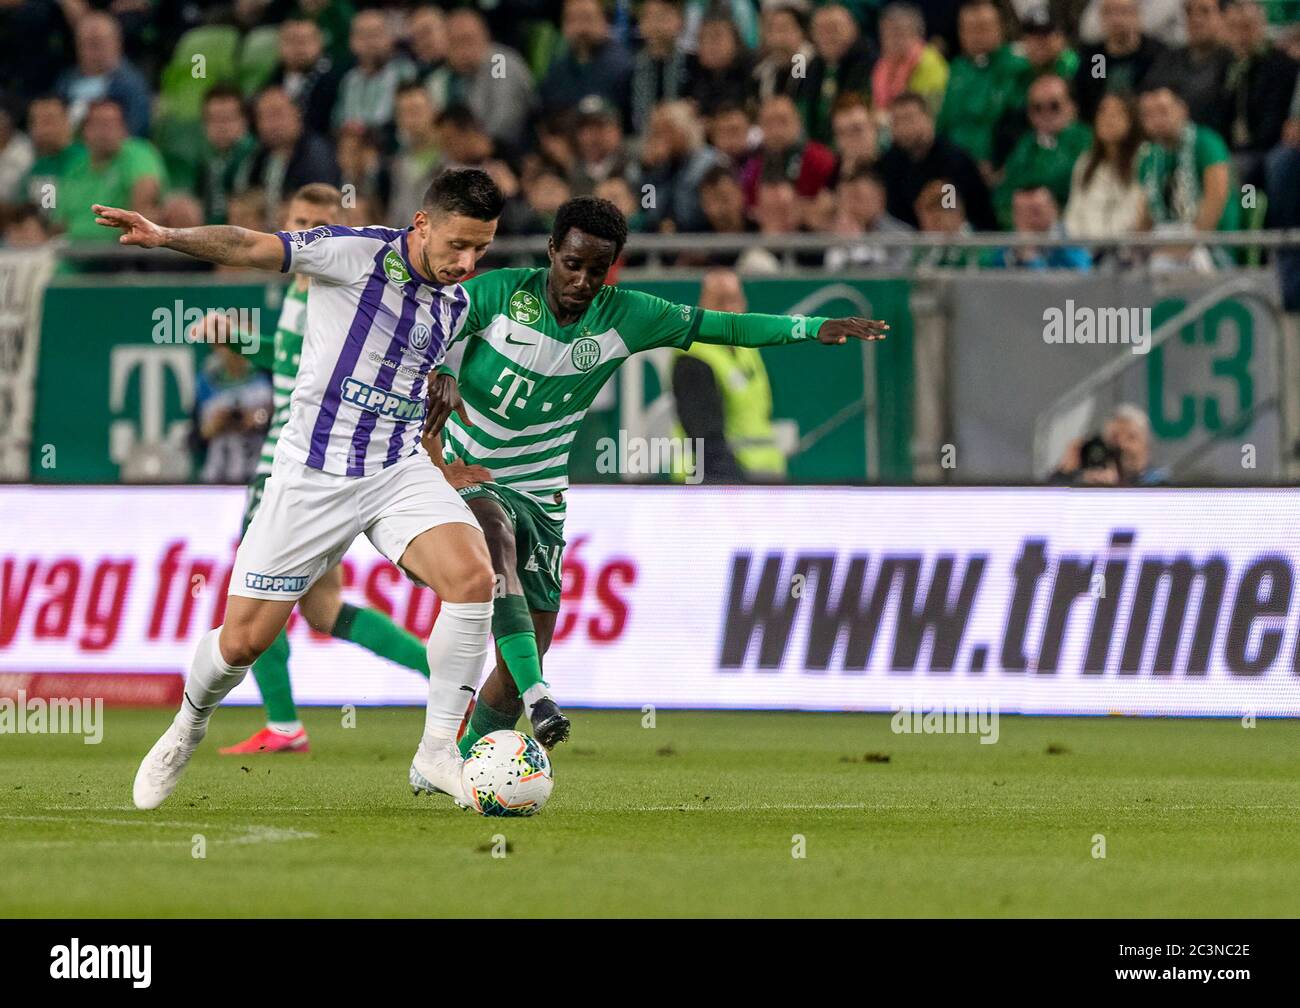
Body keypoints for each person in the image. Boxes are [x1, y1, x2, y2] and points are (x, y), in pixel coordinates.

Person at [94, 168, 508, 811]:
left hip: (395, 469)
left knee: (473, 578)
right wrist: (166, 234)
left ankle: (436, 755)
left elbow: (426, 394)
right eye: (458, 245)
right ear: (422, 223)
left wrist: (439, 462)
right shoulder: (355, 252)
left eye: (481, 250)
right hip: (312, 475)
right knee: (243, 643)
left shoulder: (454, 307)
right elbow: (249, 245)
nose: (467, 262)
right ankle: (187, 727)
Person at [421, 196, 887, 755]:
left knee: (530, 646)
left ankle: (466, 757)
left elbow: (726, 327)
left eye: (598, 269)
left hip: (542, 493)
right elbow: (429, 324)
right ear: (551, 252)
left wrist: (812, 327)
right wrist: (443, 370)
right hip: (470, 473)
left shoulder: (628, 315)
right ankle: (541, 696)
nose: (584, 280)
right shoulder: (498, 291)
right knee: (493, 531)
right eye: (573, 264)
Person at [671, 268, 786, 483]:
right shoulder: (694, 357)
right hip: (714, 480)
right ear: (703, 305)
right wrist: (729, 482)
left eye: (735, 300)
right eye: (720, 301)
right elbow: (704, 433)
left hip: (761, 473)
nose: (730, 310)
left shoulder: (747, 347)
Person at [1135, 82, 1237, 267]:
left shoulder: (1207, 142)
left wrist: (1186, 245)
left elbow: (1216, 198)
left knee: (1163, 263)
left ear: (1182, 110)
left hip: (1210, 243)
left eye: (1163, 111)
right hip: (1165, 238)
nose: (1156, 119)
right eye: (1148, 115)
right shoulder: (1148, 156)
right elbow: (1147, 212)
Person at [879, 91, 997, 230]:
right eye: (897, 121)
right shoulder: (890, 163)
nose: (904, 127)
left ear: (928, 118)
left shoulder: (953, 159)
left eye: (909, 118)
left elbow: (951, 206)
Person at [995, 73, 1092, 228]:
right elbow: (1004, 196)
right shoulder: (1025, 145)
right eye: (1037, 108)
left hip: (1072, 228)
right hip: (1025, 233)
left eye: (1054, 106)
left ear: (1072, 106)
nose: (1045, 113)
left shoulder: (1088, 141)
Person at [1064, 93, 1144, 239]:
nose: (1108, 118)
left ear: (1132, 120)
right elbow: (1074, 211)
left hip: (1127, 248)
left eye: (1117, 112)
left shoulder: (1144, 158)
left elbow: (1137, 213)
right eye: (1103, 112)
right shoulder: (1085, 162)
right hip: (1086, 250)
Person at [1074, 0, 1167, 121]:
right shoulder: (1096, 58)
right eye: (1110, 13)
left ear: (1137, 16)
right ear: (1101, 18)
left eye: (1124, 12)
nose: (1117, 19)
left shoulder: (1156, 56)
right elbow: (1090, 97)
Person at [194, 343, 273, 485]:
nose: (237, 352)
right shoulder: (207, 380)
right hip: (217, 473)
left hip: (259, 468)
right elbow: (197, 433)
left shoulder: (266, 376)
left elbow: (277, 418)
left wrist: (258, 419)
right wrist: (214, 426)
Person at [987, 186, 1092, 269]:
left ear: (1053, 209)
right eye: (1022, 213)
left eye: (1035, 211)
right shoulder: (1006, 247)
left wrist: (1030, 257)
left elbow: (1080, 281)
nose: (1029, 219)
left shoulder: (1072, 240)